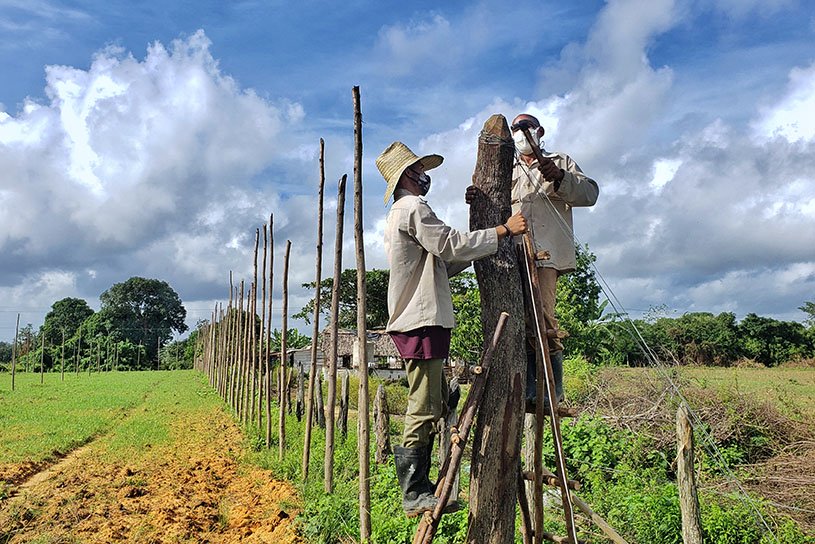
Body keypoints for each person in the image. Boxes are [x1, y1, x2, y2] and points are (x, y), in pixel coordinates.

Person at [376, 141, 527, 517]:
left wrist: (486, 240)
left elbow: (442, 262)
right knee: (423, 408)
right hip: (422, 320)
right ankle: (414, 493)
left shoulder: (401, 213)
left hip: (421, 319)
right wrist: (502, 231)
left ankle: (444, 406)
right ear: (408, 176)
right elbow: (449, 244)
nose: (425, 178)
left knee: (434, 399)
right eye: (420, 171)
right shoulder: (413, 207)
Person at [466, 113, 599, 410]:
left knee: (543, 318)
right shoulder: (505, 168)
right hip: (510, 254)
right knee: (517, 320)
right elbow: (492, 200)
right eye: (516, 128)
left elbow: (590, 194)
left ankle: (554, 391)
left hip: (547, 253)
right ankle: (526, 389)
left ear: (540, 131)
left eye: (526, 127)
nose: (521, 133)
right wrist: (476, 195)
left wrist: (561, 178)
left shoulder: (559, 160)